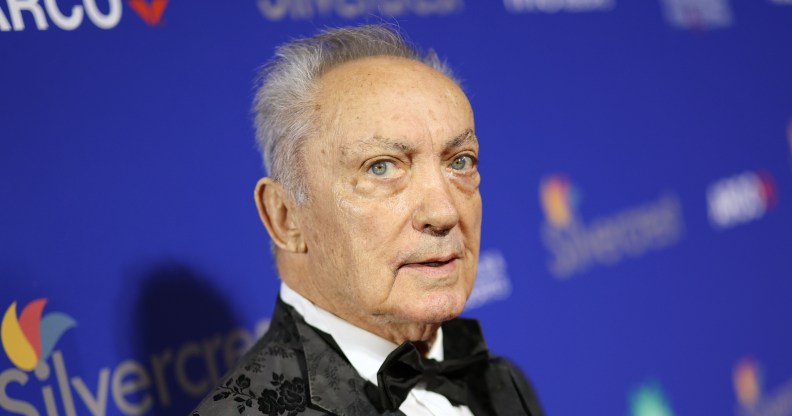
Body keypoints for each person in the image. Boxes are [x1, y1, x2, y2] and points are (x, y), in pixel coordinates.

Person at [191, 24, 543, 416]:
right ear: (285, 217)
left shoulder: (501, 382)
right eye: (381, 168)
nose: (444, 213)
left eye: (460, 161)